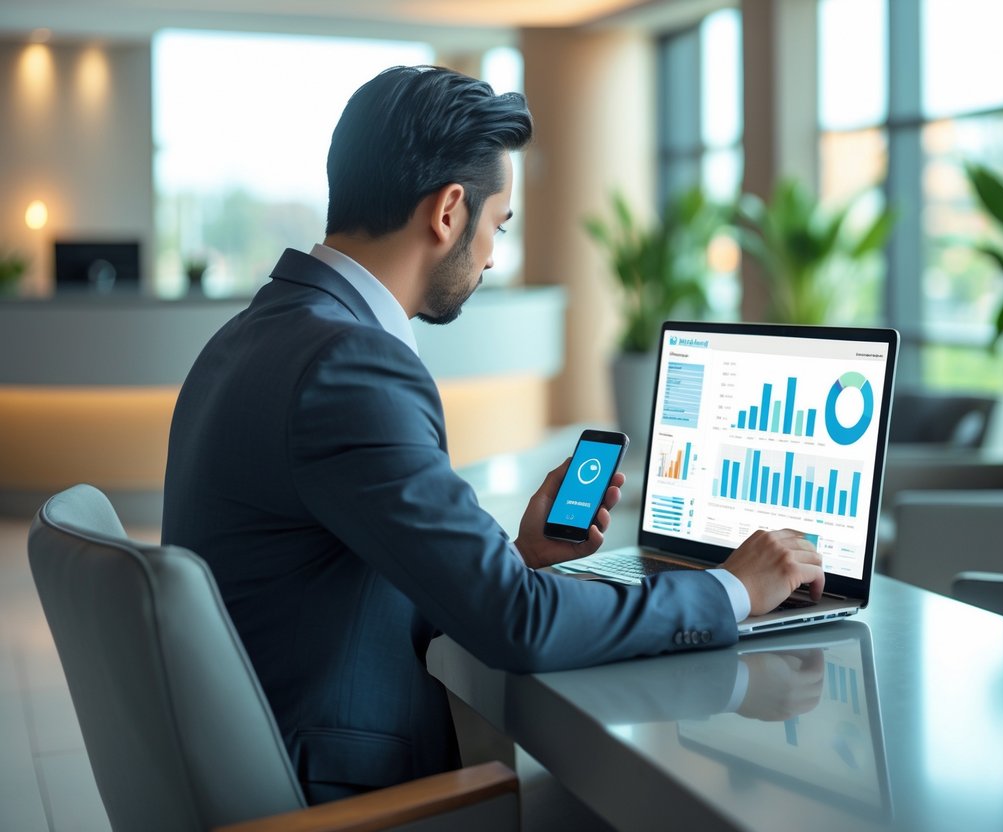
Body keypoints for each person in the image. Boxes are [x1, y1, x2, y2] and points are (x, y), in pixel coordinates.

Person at [161, 65, 824, 803]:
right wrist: (730, 589)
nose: (491, 257)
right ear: (449, 210)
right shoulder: (352, 364)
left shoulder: (254, 334)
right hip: (343, 800)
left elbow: (332, 568)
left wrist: (513, 557)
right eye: (497, 225)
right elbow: (520, 624)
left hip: (282, 752)